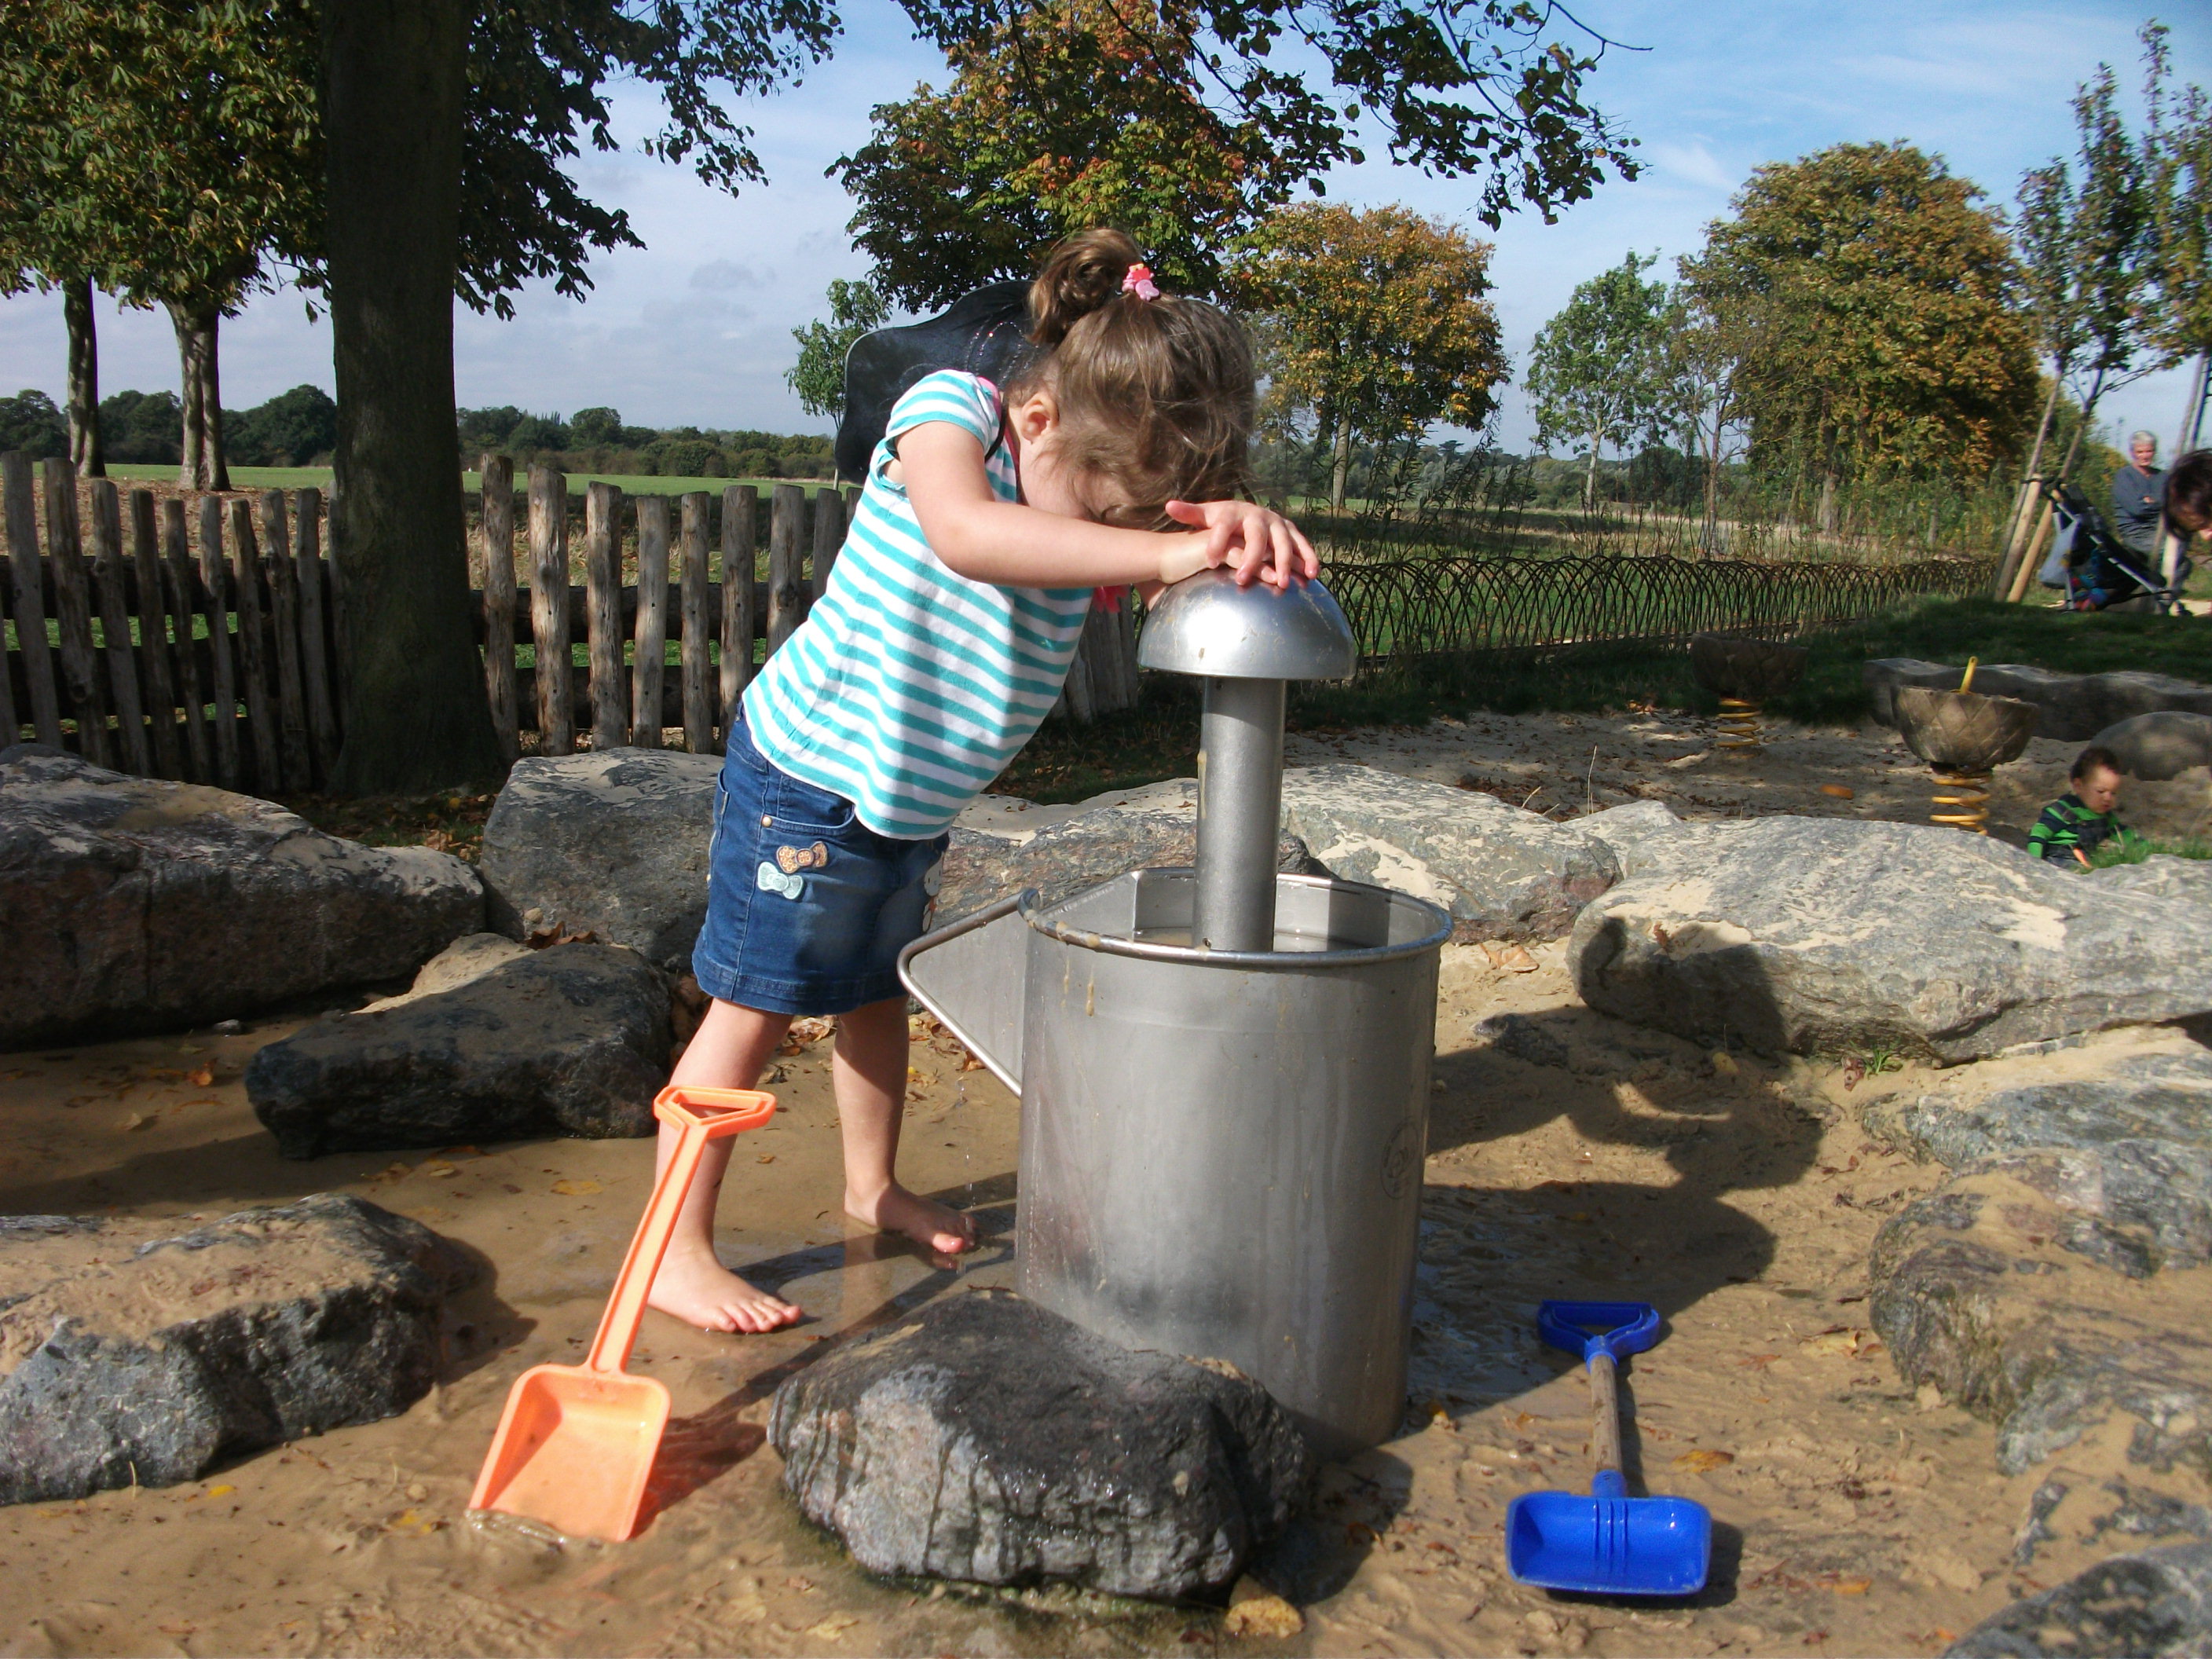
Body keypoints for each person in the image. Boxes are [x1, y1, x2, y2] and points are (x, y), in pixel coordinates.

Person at [646, 229, 1318, 1334]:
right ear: (1041, 417)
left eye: (1141, 521)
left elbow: (1172, 543)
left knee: (875, 995)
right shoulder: (949, 411)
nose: (1122, 536)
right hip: (811, 776)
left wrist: (1231, 531)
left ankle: (871, 1187)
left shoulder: (1100, 483)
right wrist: (1157, 556)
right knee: (752, 1007)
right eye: (1109, 511)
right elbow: (963, 536)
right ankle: (674, 1245)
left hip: (905, 800)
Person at [2027, 745, 2138, 866]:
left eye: (2113, 793)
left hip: (2084, 861)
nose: (2108, 798)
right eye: (2100, 791)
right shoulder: (2063, 811)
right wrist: (2035, 863)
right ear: (2079, 786)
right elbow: (2038, 833)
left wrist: (2147, 850)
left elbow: (2126, 837)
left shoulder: (2106, 818)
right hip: (2058, 861)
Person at [2111, 431, 2168, 558]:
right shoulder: (2124, 476)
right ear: (2132, 452)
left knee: (2184, 561)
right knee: (2166, 552)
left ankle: (2160, 578)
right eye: (2140, 452)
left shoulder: (2162, 476)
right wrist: (2160, 503)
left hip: (2159, 531)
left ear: (2154, 452)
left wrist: (2151, 502)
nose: (2145, 456)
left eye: (2149, 451)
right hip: (2135, 534)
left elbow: (2171, 505)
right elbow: (2138, 509)